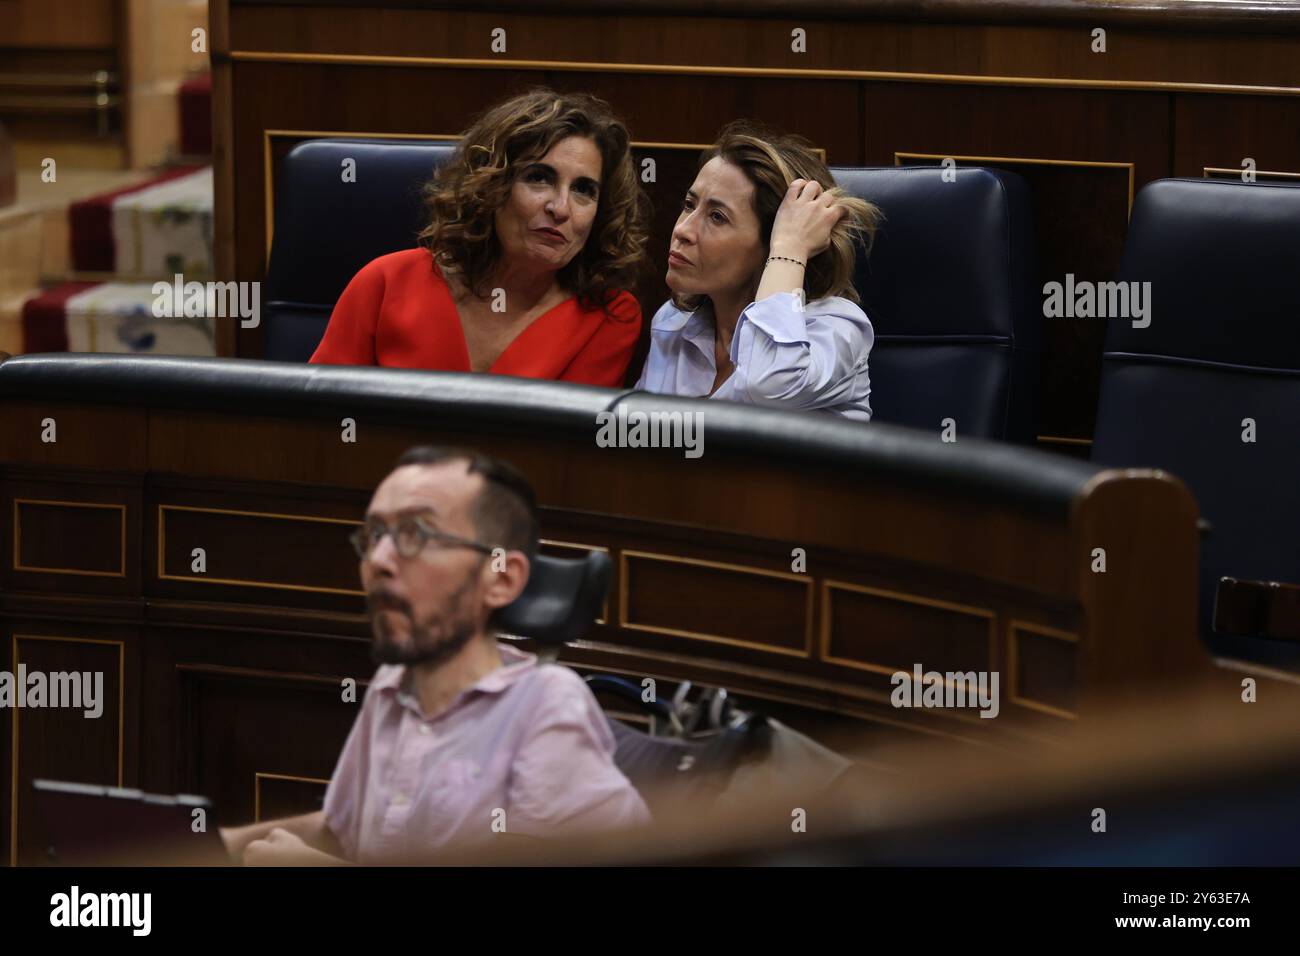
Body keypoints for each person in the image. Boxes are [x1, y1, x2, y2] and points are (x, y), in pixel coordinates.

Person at [220, 446, 650, 864]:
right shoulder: (393, 684)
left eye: (416, 535)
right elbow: (342, 831)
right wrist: (213, 843)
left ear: (501, 579)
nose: (380, 561)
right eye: (373, 536)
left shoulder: (544, 706)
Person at [310, 89, 649, 387]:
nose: (561, 208)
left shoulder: (608, 317)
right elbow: (317, 425)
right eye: (538, 178)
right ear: (491, 186)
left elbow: (563, 455)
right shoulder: (386, 283)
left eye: (583, 190)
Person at [636, 120, 882, 420]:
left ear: (772, 243)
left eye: (716, 216)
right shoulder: (673, 324)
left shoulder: (837, 328)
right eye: (689, 204)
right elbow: (641, 442)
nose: (682, 230)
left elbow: (768, 384)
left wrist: (789, 249)